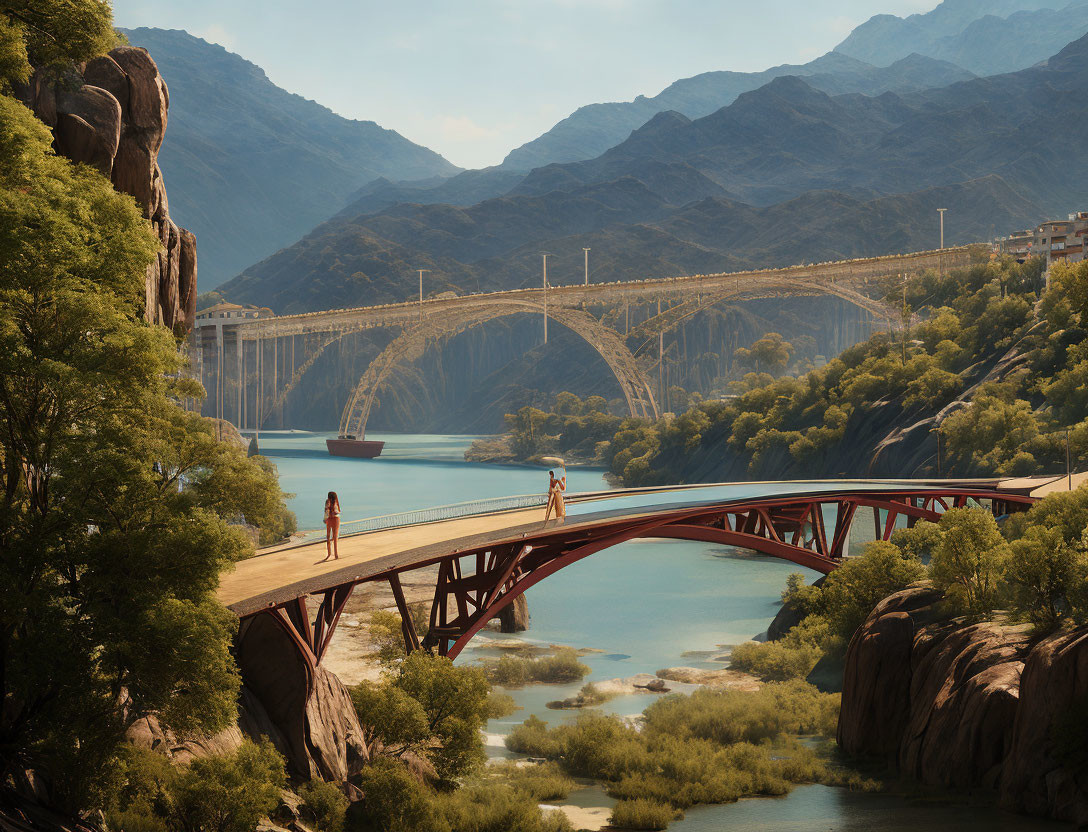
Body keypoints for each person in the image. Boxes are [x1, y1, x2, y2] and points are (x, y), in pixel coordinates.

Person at [322, 491, 341, 562]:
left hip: (331, 519)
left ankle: (331, 554)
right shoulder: (333, 501)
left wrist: (325, 519)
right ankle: (334, 554)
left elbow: (328, 511)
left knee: (330, 537)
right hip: (334, 519)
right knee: (333, 537)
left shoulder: (330, 501)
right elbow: (337, 511)